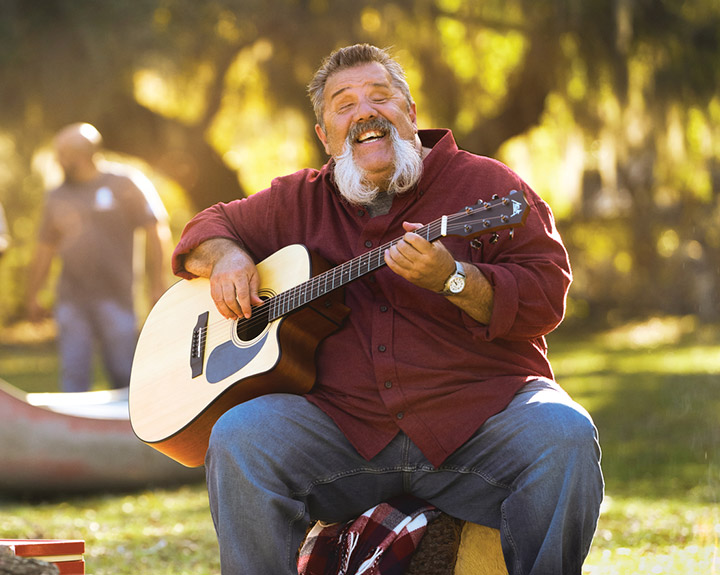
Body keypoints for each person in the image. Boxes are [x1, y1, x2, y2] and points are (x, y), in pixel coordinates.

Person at [172, 44, 604, 574]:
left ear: (411, 114)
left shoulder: (491, 188)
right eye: (343, 104)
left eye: (381, 96)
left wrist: (455, 280)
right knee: (240, 436)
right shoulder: (298, 200)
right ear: (324, 136)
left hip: (476, 418)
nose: (365, 112)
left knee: (564, 433)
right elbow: (204, 228)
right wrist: (229, 256)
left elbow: (544, 295)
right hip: (342, 428)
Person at [26, 123, 170, 392]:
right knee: (74, 375)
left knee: (124, 373)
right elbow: (44, 249)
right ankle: (75, 432)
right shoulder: (57, 196)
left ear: (82, 155)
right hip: (71, 299)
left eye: (62, 154)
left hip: (117, 297)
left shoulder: (125, 183)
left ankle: (131, 432)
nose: (57, 160)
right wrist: (34, 293)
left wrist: (158, 282)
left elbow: (156, 230)